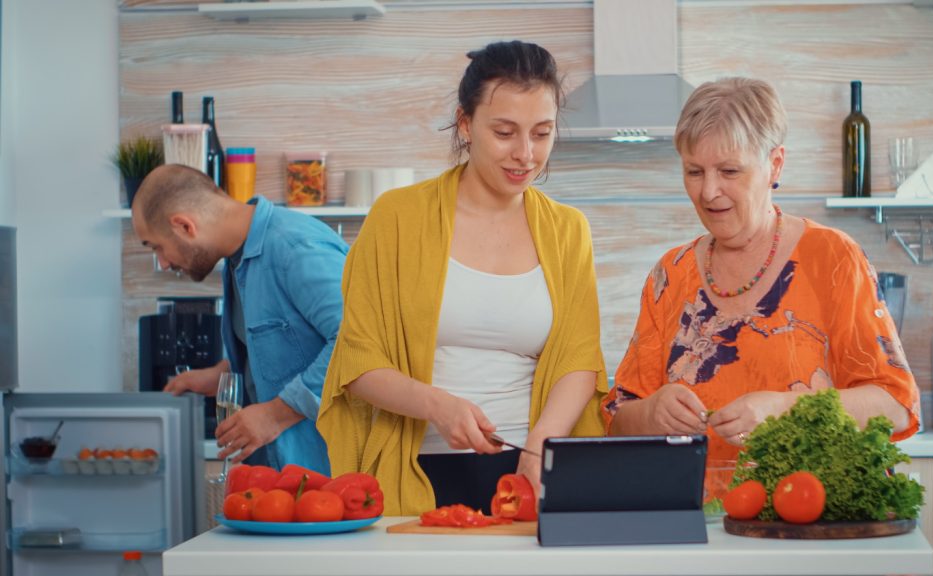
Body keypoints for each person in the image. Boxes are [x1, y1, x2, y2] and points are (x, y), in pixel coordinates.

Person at [317, 40, 607, 515]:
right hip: (416, 465)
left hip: (527, 471)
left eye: (542, 133)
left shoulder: (568, 231)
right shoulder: (396, 217)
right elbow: (358, 362)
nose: (525, 154)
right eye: (505, 132)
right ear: (466, 124)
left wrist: (540, 443)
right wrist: (437, 405)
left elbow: (580, 358)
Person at [603, 78, 920, 471]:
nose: (708, 192)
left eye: (729, 171)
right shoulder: (671, 273)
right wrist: (651, 412)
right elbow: (618, 418)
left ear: (775, 164)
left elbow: (897, 406)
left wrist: (786, 410)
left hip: (813, 518)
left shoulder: (833, 257)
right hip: (703, 520)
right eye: (695, 171)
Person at [133, 164, 348, 475]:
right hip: (283, 480)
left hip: (328, 479)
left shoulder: (294, 248)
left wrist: (275, 415)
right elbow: (295, 345)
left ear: (184, 226)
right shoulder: (240, 259)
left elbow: (357, 342)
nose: (164, 263)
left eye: (157, 248)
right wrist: (221, 374)